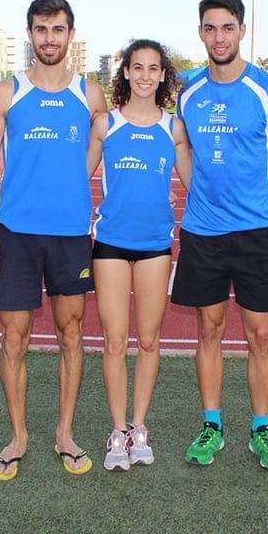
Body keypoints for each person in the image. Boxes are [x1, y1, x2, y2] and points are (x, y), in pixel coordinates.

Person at [172, 0, 268, 470]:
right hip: (203, 232)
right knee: (208, 329)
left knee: (259, 333)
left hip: (255, 231)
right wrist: (192, 190)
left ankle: (261, 428)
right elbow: (181, 146)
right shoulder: (188, 90)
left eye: (227, 28)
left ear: (242, 31)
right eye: (210, 28)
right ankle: (211, 425)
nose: (219, 37)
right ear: (200, 32)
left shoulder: (267, 90)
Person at [0, 0, 108, 482]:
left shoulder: (91, 95)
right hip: (15, 235)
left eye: (57, 29)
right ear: (30, 34)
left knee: (72, 334)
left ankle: (65, 434)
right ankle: (18, 437)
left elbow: (101, 151)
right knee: (14, 337)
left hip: (70, 235)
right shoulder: (6, 93)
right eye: (40, 29)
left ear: (71, 34)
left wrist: (73, 187)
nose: (49, 38)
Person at [86, 39, 192, 471]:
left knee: (148, 340)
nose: (145, 75)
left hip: (154, 246)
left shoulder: (174, 129)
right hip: (111, 244)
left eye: (153, 68)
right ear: (126, 72)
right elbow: (76, 177)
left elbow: (197, 185)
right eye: (137, 67)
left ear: (163, 75)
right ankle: (117, 432)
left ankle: (139, 427)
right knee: (114, 341)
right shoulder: (105, 124)